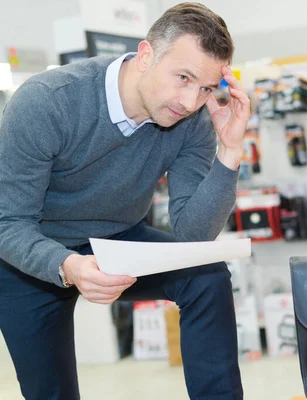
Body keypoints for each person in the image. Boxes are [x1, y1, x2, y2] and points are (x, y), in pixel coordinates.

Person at [0, 3, 248, 399]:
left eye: (205, 88)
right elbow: (7, 223)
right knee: (51, 391)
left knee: (207, 275)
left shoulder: (193, 120)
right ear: (146, 55)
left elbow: (193, 235)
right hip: (30, 253)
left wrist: (230, 152)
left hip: (117, 238)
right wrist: (67, 266)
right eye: (182, 77)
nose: (189, 101)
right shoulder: (47, 102)